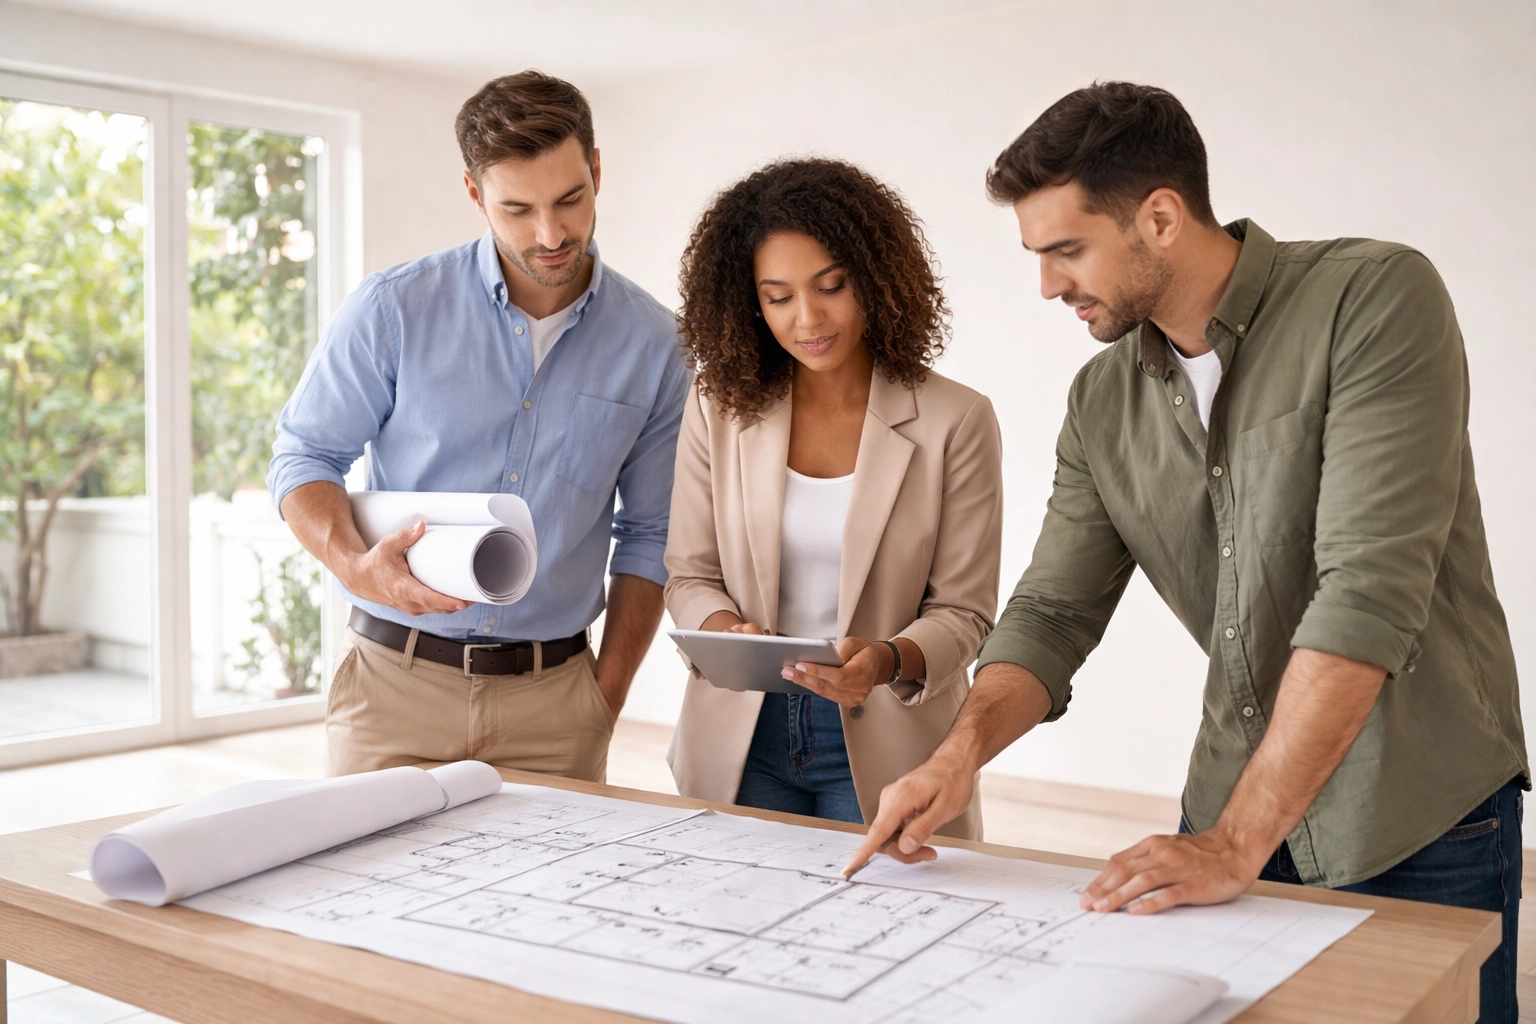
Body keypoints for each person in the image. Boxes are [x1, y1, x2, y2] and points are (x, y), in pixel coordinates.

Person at [845, 82, 1526, 1020]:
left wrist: (1234, 844)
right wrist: (955, 757)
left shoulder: (1373, 296)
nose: (1048, 285)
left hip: (1415, 810)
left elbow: (1366, 589)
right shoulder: (1100, 403)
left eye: (1066, 250)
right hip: (1226, 803)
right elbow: (1051, 614)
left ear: (1160, 218)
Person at [268, 71, 688, 782]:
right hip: (392, 691)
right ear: (474, 193)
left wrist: (601, 699)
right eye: (517, 209)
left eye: (570, 199)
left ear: (596, 169)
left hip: (556, 705)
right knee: (369, 895)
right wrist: (353, 566)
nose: (550, 234)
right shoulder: (392, 310)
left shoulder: (656, 344)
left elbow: (650, 536)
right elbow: (305, 456)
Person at [664, 159, 1003, 837]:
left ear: (876, 280)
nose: (808, 318)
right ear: (748, 302)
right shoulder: (717, 409)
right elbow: (689, 574)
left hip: (890, 737)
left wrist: (886, 659)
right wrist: (727, 632)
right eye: (777, 295)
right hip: (742, 727)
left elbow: (964, 612)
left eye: (831, 286)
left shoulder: (956, 420)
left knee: (886, 928)